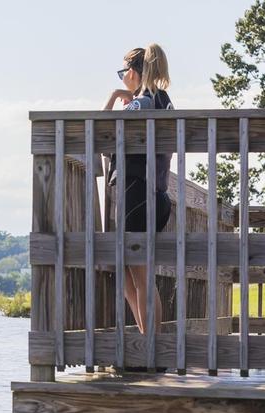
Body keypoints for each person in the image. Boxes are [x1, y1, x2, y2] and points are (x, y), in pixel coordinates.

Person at [104, 44, 173, 337]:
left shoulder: (140, 104)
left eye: (123, 72)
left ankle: (151, 350)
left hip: (136, 193)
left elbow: (102, 131)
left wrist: (114, 98)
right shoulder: (163, 100)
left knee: (141, 278)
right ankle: (149, 343)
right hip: (157, 194)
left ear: (132, 72)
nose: (122, 77)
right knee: (131, 278)